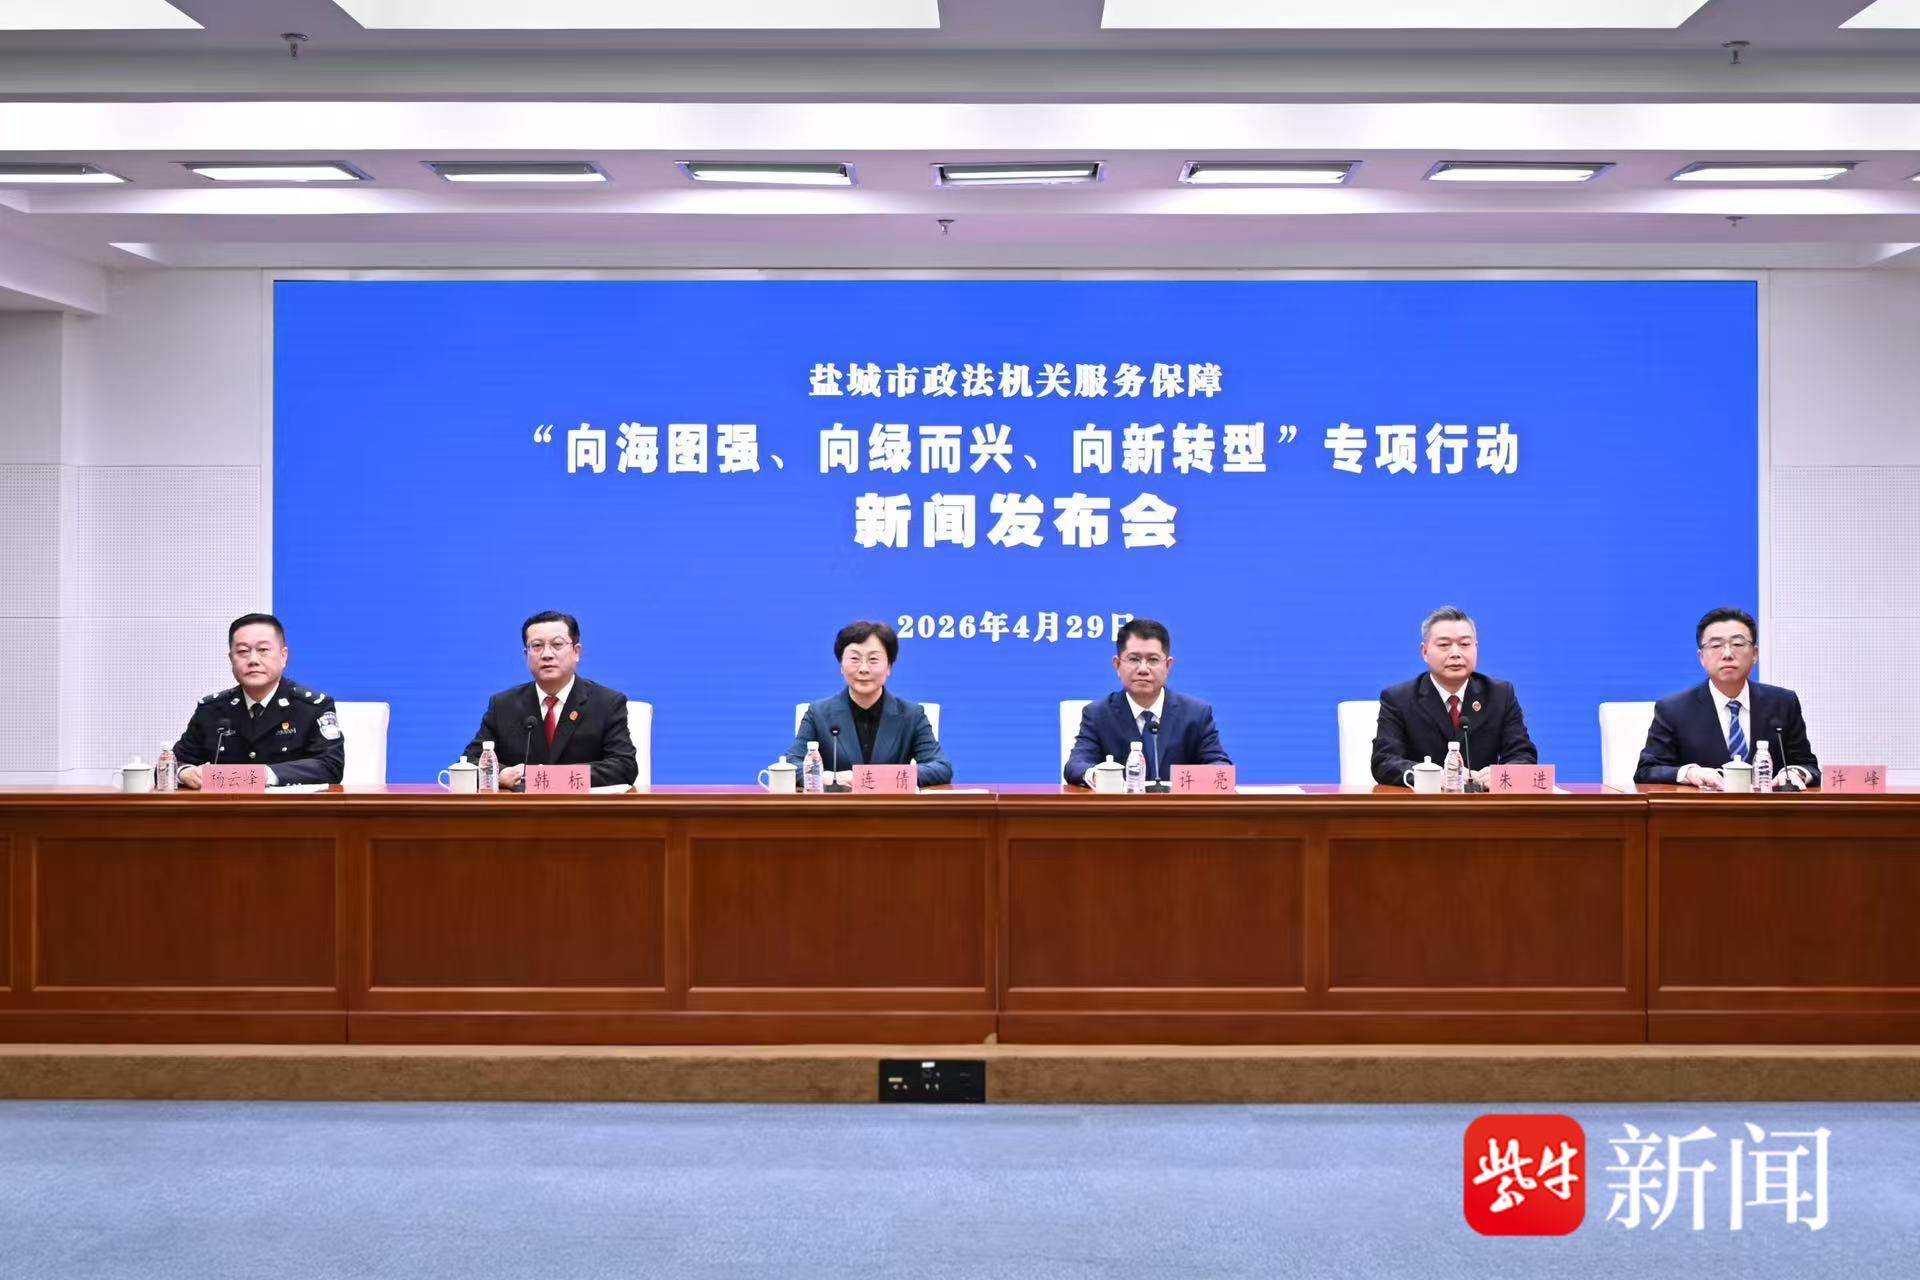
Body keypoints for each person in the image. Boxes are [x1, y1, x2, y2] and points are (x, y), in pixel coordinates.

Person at [1635, 606, 1819, 790]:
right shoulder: (1674, 710)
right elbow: (1646, 770)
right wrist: (1690, 773)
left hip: (1768, 807)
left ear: (1755, 654)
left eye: (1738, 644)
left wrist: (1795, 773)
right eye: (1716, 646)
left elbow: (1808, 765)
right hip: (1703, 807)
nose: (1727, 654)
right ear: (1701, 657)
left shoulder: (1783, 703)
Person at [463, 611, 638, 789]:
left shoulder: (607, 703)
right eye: (537, 646)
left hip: (582, 806)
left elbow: (624, 767)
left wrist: (549, 778)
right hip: (522, 807)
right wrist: (500, 774)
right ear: (526, 655)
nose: (547, 654)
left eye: (557, 644)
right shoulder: (503, 705)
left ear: (576, 652)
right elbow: (469, 762)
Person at [1372, 605, 1537, 788]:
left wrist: (1501, 775)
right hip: (1423, 802)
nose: (1455, 654)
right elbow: (1384, 761)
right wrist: (1432, 776)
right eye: (1444, 645)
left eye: (1464, 644)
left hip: (1482, 802)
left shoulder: (1500, 695)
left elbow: (1523, 755)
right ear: (1425, 652)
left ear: (1475, 648)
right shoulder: (1398, 699)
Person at [173, 612, 344, 788]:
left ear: (283, 656)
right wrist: (184, 772)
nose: (253, 660)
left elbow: (330, 766)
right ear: (231, 659)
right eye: (242, 651)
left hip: (288, 806)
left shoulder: (312, 708)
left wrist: (267, 775)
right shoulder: (212, 709)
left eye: (263, 650)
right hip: (227, 806)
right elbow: (170, 764)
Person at [1064, 617, 1229, 787]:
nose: (1143, 669)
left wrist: (1182, 784)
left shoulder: (1196, 714)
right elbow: (1075, 765)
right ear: (1117, 665)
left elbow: (1220, 767)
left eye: (1153, 660)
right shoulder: (1098, 714)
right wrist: (1101, 777)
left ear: (1168, 666)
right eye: (1134, 659)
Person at [786, 620, 953, 787]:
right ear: (841, 666)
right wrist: (828, 778)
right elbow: (791, 764)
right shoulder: (818, 714)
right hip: (838, 803)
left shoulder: (911, 715)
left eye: (873, 659)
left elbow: (941, 767)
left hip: (892, 803)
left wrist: (881, 778)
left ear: (889, 666)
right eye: (854, 659)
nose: (863, 669)